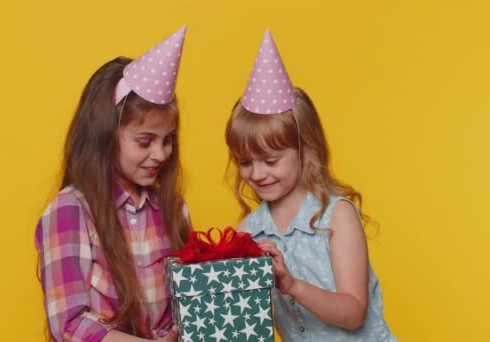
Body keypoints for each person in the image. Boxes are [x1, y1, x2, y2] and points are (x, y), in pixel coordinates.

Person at [225, 30, 396, 341]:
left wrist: (290, 286)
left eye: (271, 160)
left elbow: (353, 312)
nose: (258, 174)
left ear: (306, 148)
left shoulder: (336, 216)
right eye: (245, 162)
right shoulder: (247, 232)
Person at [35, 26, 192, 342]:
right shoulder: (71, 210)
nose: (160, 154)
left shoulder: (174, 209)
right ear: (106, 135)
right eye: (145, 141)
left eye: (168, 140)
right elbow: (69, 325)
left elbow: (184, 307)